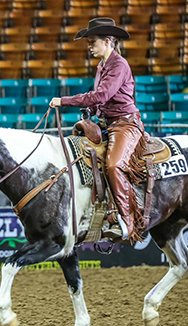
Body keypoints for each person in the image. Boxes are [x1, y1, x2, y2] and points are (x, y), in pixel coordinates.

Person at [49, 17, 147, 243]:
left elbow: (102, 95)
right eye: (89, 42)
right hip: (107, 123)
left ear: (108, 41)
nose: (89, 46)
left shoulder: (119, 65)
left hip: (125, 123)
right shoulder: (102, 67)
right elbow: (100, 99)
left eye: (93, 41)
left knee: (113, 165)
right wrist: (89, 111)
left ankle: (126, 221)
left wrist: (64, 101)